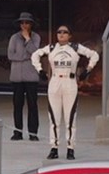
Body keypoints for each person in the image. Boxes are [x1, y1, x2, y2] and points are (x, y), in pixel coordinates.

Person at [32, 25, 100, 160]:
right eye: (59, 32)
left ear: (70, 35)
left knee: (70, 118)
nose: (61, 34)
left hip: (70, 82)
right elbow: (35, 55)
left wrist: (88, 70)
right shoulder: (51, 48)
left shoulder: (75, 47)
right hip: (55, 82)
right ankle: (54, 148)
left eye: (65, 32)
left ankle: (70, 148)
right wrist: (40, 70)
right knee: (54, 118)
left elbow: (94, 55)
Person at [6, 12, 43, 143]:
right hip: (17, 77)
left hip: (31, 76)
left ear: (31, 24)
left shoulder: (36, 37)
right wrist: (25, 57)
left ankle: (33, 133)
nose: (24, 25)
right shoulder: (14, 38)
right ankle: (18, 132)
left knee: (32, 105)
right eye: (22, 23)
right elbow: (10, 55)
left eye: (27, 23)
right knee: (17, 105)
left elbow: (35, 53)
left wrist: (27, 40)